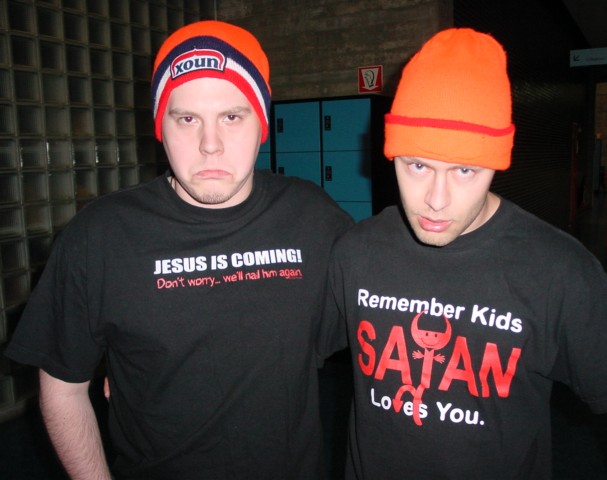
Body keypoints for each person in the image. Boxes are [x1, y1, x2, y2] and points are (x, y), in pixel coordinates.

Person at [6, 21, 352, 479]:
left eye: (232, 117)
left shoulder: (314, 219)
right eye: (187, 119)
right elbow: (62, 388)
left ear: (262, 123)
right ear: (160, 125)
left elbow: (386, 322)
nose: (210, 145)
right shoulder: (101, 236)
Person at [322, 28, 607, 479]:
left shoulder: (559, 270)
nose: (436, 200)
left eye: (465, 170)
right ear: (392, 155)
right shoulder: (356, 253)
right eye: (417, 165)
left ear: (496, 163)